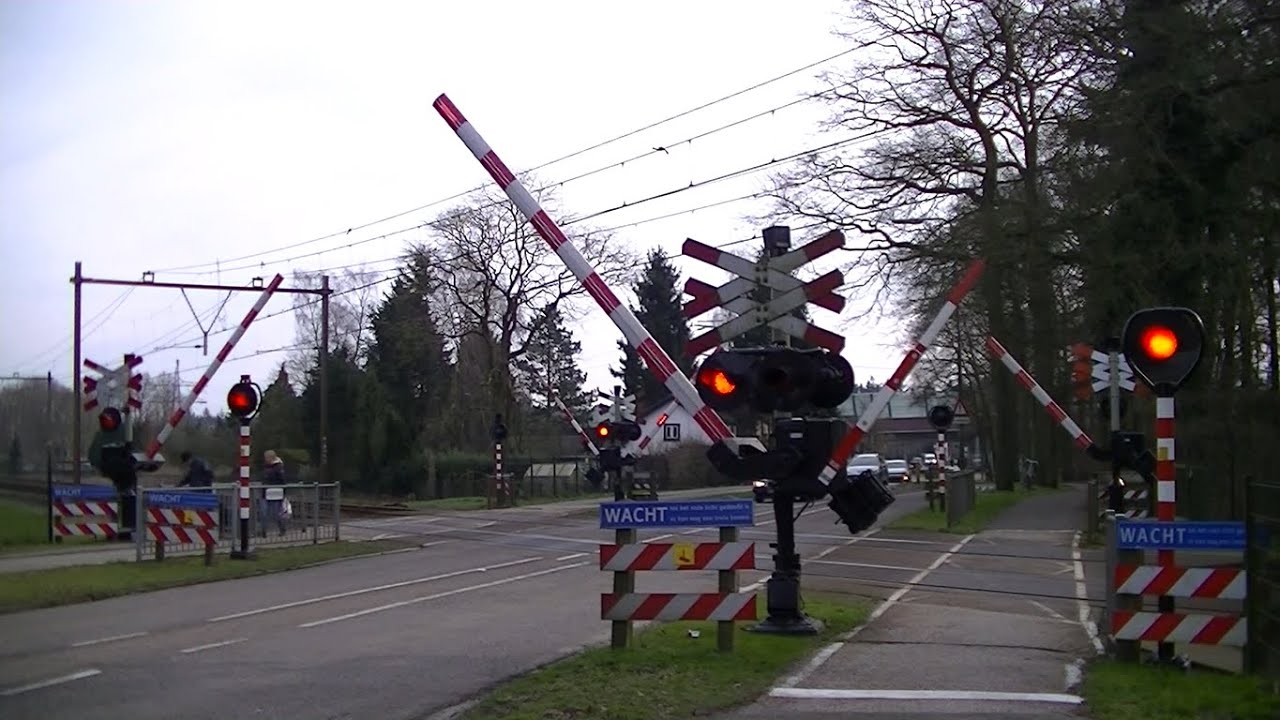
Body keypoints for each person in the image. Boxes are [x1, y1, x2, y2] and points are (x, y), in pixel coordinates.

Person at [259, 450, 288, 537]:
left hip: (276, 493)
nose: (265, 459)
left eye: (266, 457)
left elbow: (282, 480)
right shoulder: (267, 467)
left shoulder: (279, 467)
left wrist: (283, 492)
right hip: (266, 492)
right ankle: (263, 531)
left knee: (276, 513)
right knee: (264, 512)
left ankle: (282, 529)